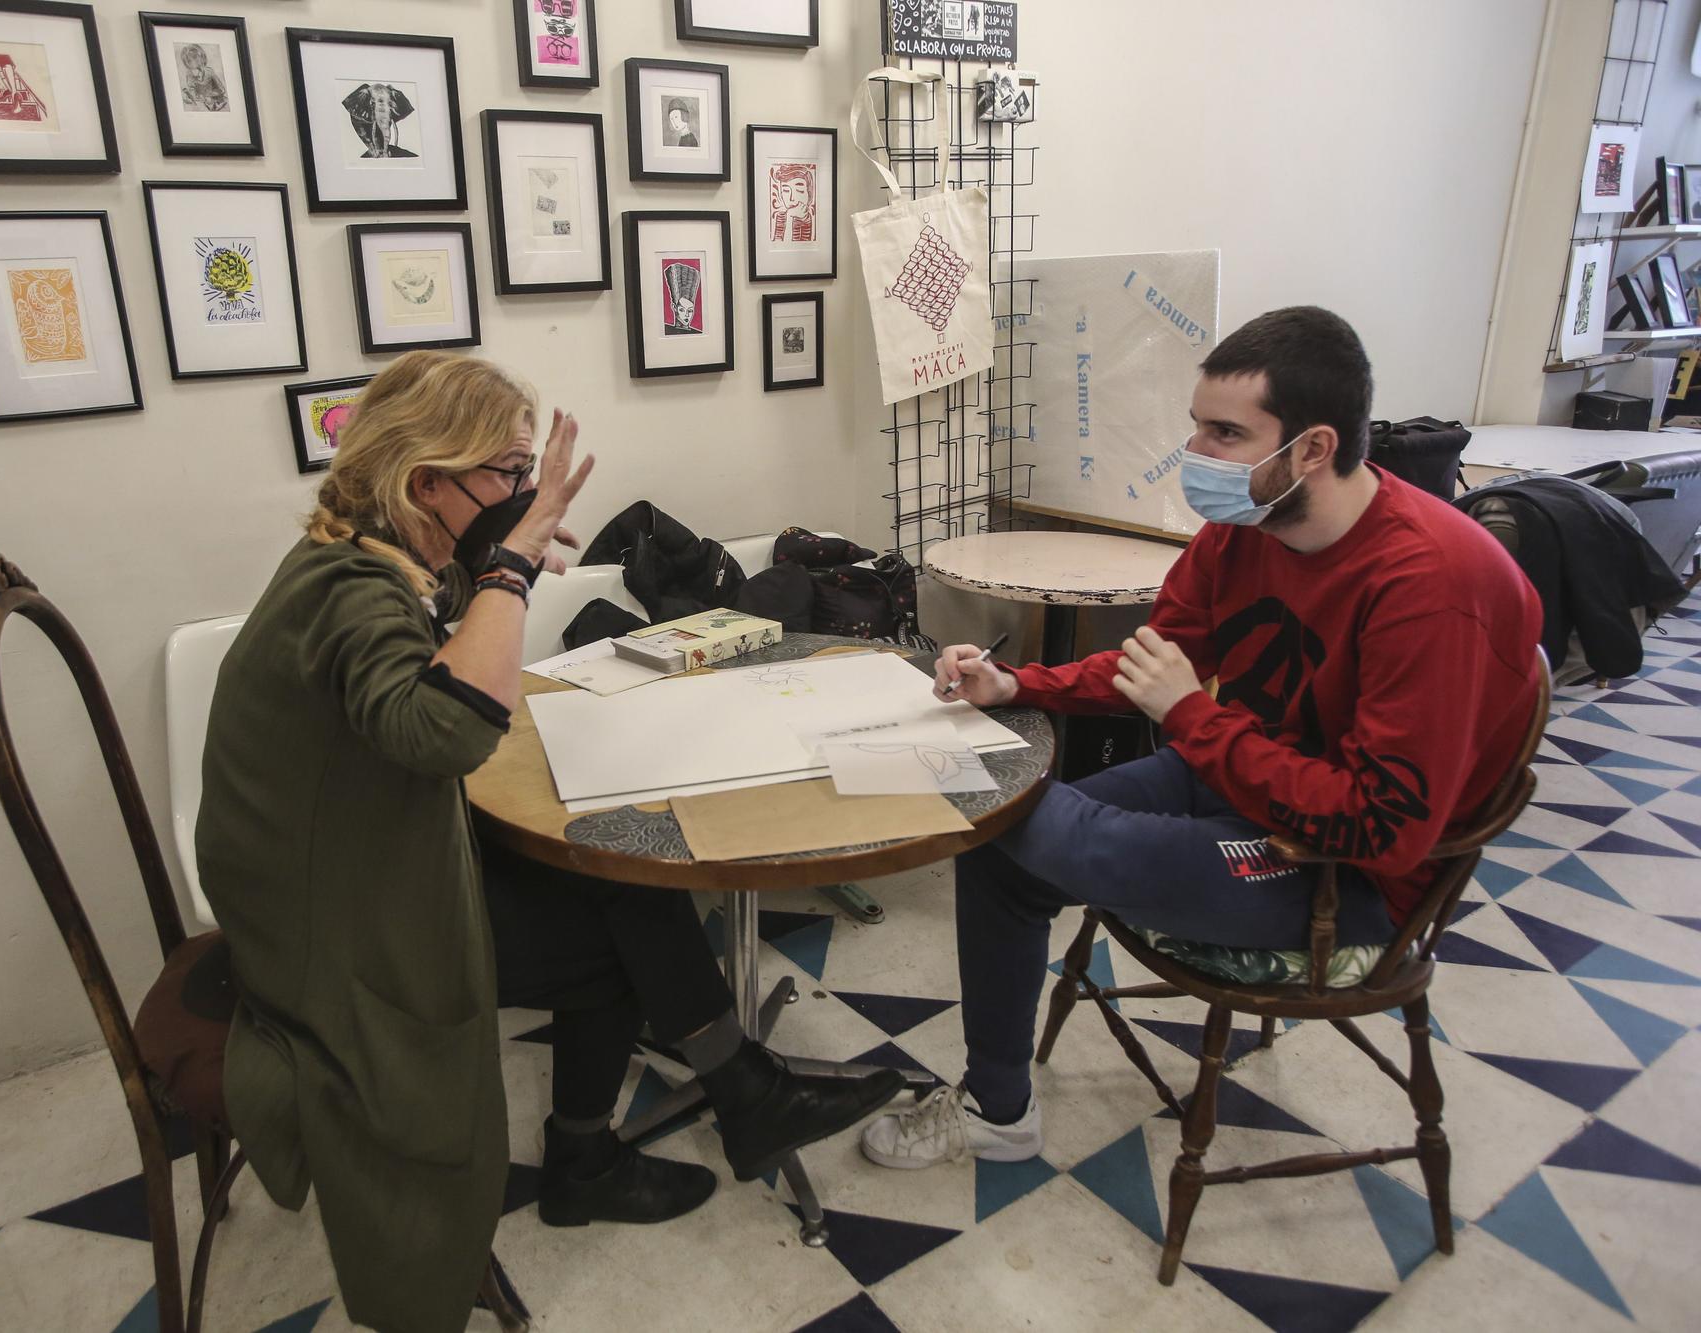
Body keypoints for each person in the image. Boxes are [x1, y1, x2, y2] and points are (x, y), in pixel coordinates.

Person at [198, 351, 902, 1332]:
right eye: (505, 472)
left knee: (617, 865)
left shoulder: (350, 552)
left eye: (529, 473)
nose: (524, 493)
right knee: (624, 905)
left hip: (332, 868)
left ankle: (693, 1112)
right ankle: (672, 1123)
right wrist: (508, 565)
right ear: (422, 480)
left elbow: (423, 704)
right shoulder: (351, 590)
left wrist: (492, 556)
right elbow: (446, 726)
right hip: (332, 929)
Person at [859, 306, 1544, 1169]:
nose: (1199, 455)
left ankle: (996, 1100)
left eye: (1226, 433)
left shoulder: (1432, 584)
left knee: (1007, 819)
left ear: (1313, 449)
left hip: (1344, 875)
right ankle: (999, 1108)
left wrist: (1192, 717)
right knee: (999, 840)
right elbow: (1155, 663)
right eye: (1197, 427)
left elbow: (1385, 827)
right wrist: (1018, 683)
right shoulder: (1245, 527)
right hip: (1239, 778)